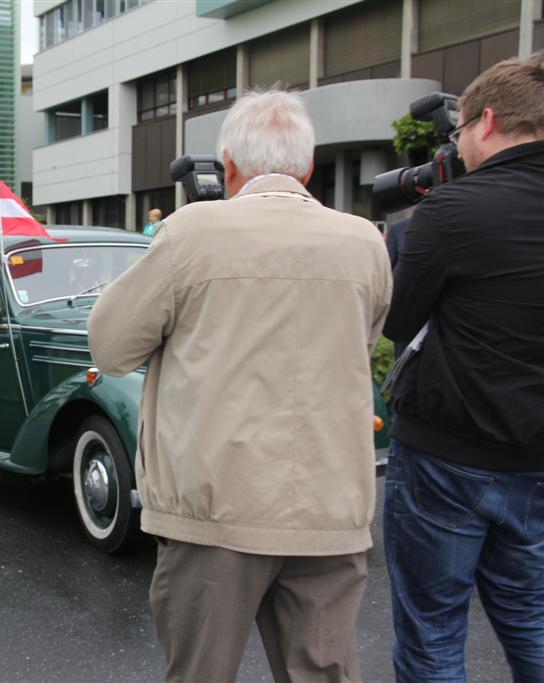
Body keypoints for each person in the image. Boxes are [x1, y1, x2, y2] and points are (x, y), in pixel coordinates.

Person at [87, 89, 392, 682]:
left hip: (215, 508)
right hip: (329, 507)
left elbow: (111, 346)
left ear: (227, 166)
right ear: (307, 168)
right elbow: (362, 343)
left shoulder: (189, 233)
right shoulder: (365, 243)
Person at [381, 52, 544, 683]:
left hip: (448, 457)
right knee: (531, 616)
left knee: (433, 628)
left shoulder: (453, 209)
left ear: (486, 122)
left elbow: (399, 323)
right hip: (536, 461)